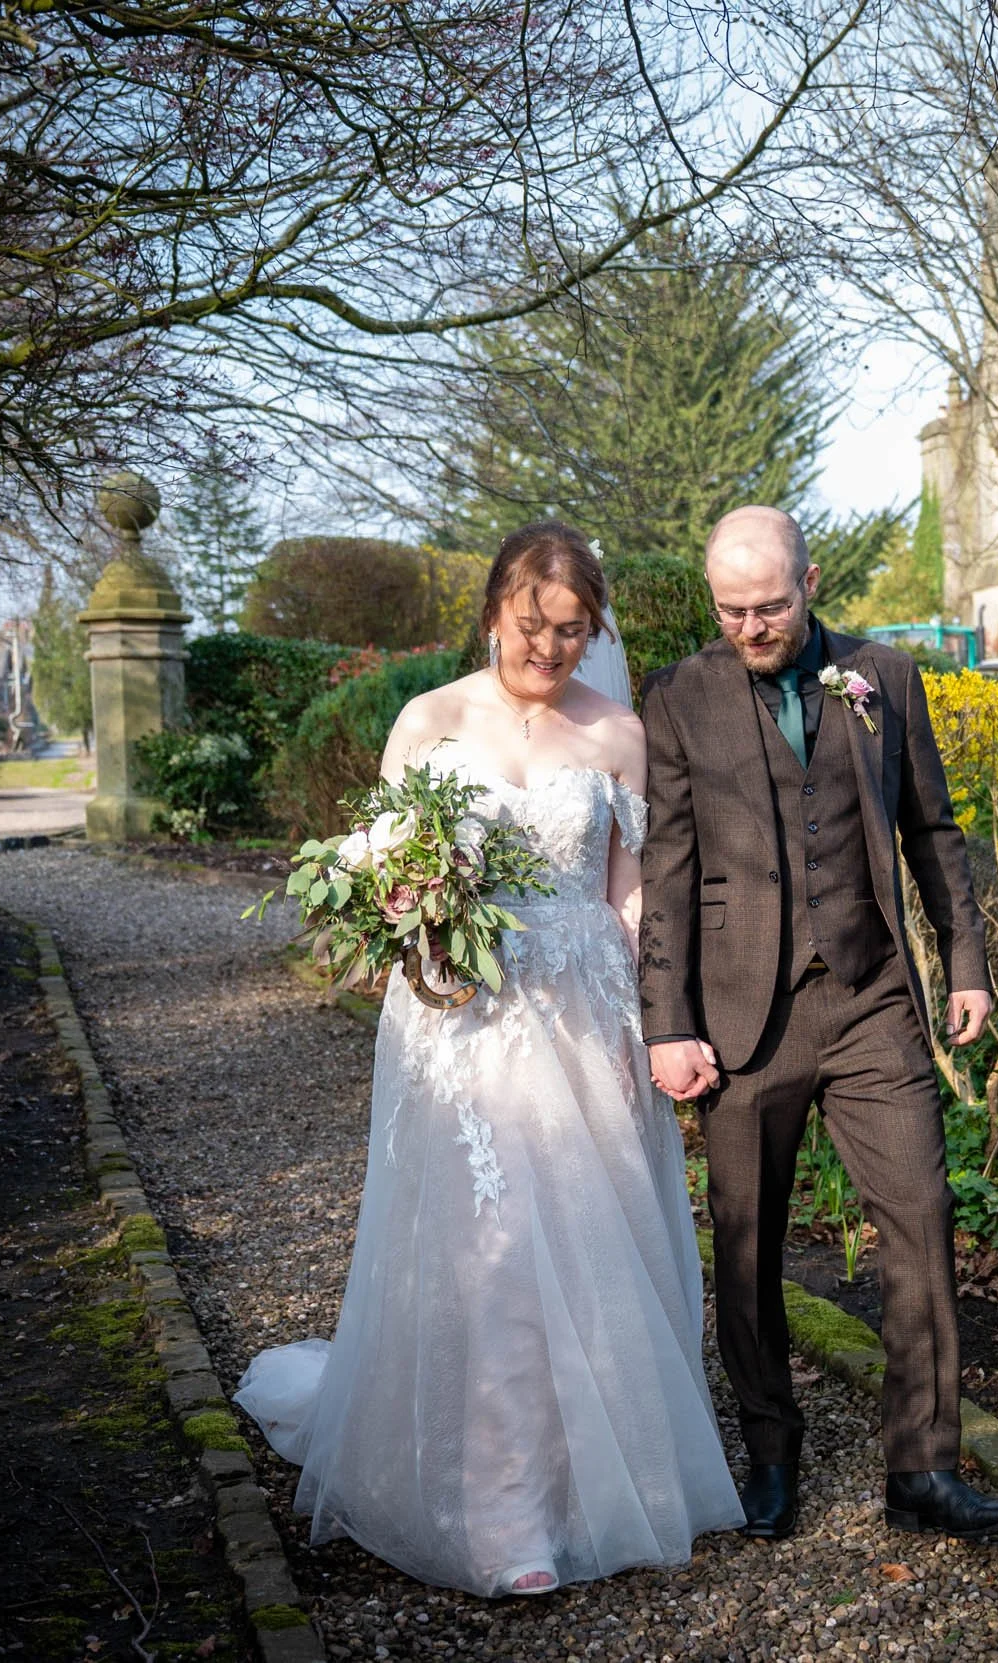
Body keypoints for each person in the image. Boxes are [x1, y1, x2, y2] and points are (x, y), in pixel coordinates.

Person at [233, 521, 742, 1596]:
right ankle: (504, 1513)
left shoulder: (615, 733)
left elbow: (629, 888)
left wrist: (661, 1018)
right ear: (494, 608)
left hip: (584, 1013)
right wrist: (407, 922)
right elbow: (380, 870)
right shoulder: (429, 721)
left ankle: (592, 1484)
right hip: (461, 1019)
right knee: (496, 1254)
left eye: (571, 632)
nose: (550, 651)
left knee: (593, 1251)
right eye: (532, 626)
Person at [638, 505, 998, 1543]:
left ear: (810, 582)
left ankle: (923, 1469)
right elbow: (666, 872)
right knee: (747, 1240)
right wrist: (664, 1021)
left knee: (922, 1212)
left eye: (769, 605)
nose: (752, 626)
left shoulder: (884, 677)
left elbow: (932, 828)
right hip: (738, 1014)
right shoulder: (677, 697)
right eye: (731, 610)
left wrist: (968, 958)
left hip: (868, 999)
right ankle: (770, 1451)